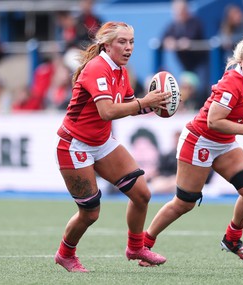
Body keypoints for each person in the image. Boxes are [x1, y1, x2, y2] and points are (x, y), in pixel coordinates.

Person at [139, 33, 243, 266]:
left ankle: (232, 239)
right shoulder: (232, 83)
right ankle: (144, 245)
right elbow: (214, 121)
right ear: (240, 63)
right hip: (199, 140)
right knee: (184, 203)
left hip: (223, 143)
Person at [53, 21, 170, 273]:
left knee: (142, 194)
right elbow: (107, 111)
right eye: (122, 42)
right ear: (106, 45)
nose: (128, 48)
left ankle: (136, 247)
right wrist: (143, 102)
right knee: (90, 213)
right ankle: (65, 254)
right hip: (74, 146)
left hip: (101, 142)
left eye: (131, 42)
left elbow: (129, 105)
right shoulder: (97, 68)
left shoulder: (120, 70)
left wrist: (156, 104)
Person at [161, 0, 209, 103]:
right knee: (184, 88)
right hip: (185, 64)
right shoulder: (173, 25)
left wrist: (184, 42)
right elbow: (164, 38)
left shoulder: (195, 22)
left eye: (181, 10)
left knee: (202, 87)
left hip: (199, 62)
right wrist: (169, 41)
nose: (178, 13)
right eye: (176, 10)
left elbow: (190, 37)